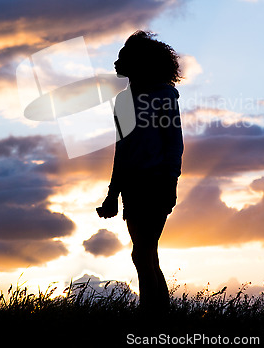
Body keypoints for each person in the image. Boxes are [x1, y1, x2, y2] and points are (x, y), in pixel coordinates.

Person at [97, 30, 184, 315]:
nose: (116, 62)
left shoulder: (163, 95)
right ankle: (157, 314)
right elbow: (122, 150)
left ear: (138, 61)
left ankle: (152, 314)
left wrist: (170, 182)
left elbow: (173, 142)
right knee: (146, 254)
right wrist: (113, 195)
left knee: (142, 252)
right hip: (132, 187)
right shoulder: (123, 100)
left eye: (123, 56)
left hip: (156, 182)